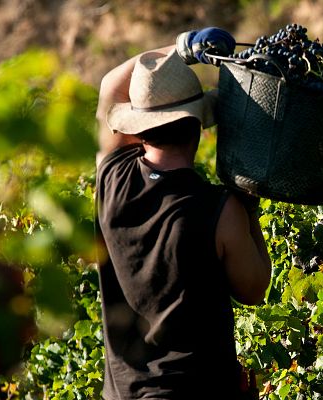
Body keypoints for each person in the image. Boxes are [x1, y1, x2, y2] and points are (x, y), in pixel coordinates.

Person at [94, 27, 271, 400]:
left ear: (139, 127)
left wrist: (182, 48)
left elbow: (111, 85)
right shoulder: (220, 210)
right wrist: (250, 208)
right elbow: (254, 288)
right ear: (199, 127)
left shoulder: (112, 177)